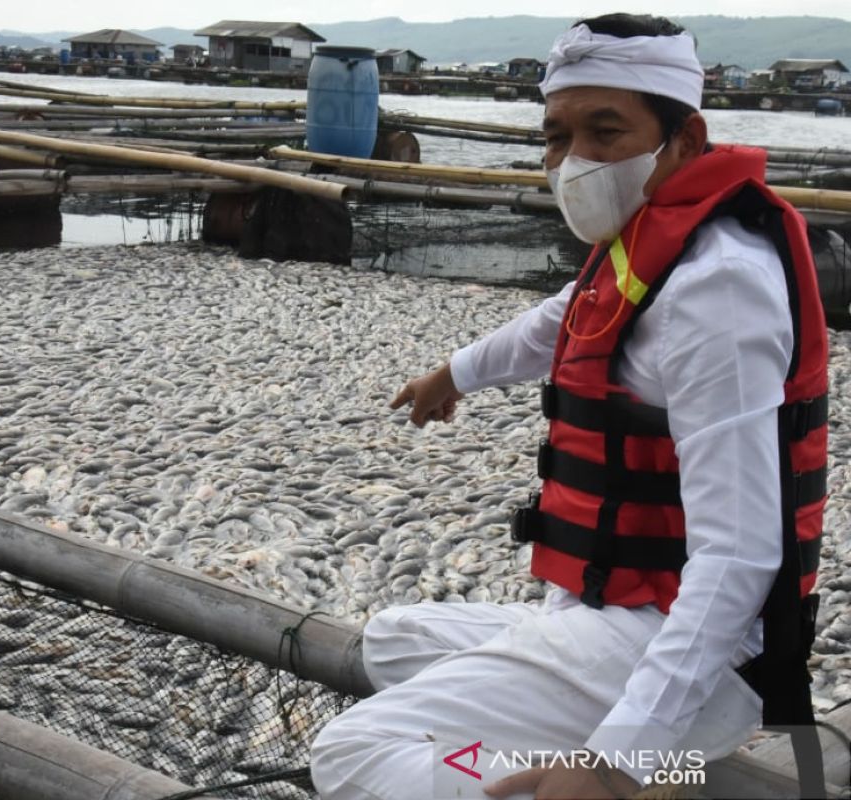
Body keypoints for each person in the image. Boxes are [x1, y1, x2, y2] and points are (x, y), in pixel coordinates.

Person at [310, 13, 827, 800]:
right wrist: (453, 373)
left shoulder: (719, 290)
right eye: (556, 135)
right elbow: (558, 318)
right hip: (600, 609)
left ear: (684, 142)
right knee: (390, 639)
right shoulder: (646, 240)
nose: (572, 160)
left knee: (353, 751)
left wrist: (621, 761)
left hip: (691, 651)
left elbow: (741, 556)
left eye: (605, 131)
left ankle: (625, 780)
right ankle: (645, 773)